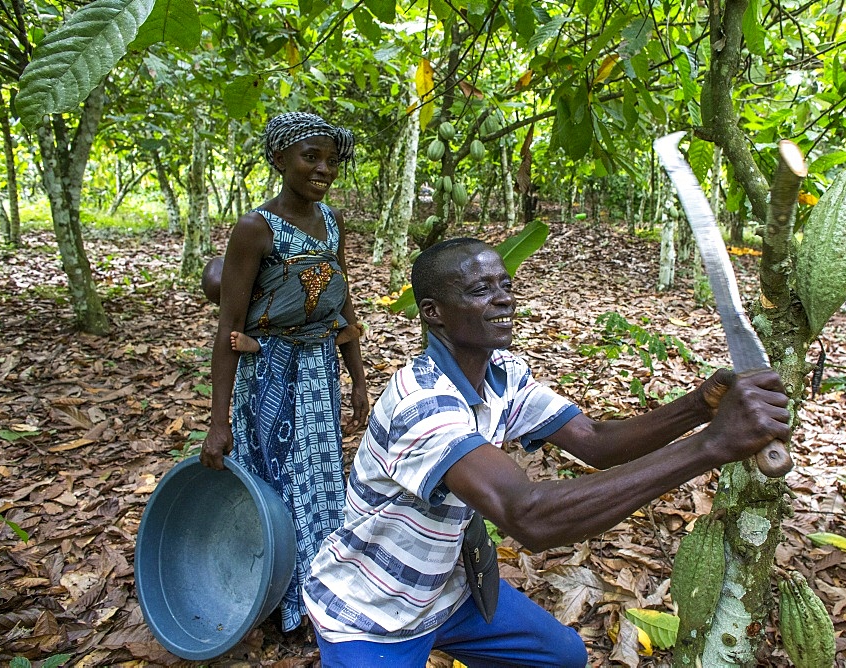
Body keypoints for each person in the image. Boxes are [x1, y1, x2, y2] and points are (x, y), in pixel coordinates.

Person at [302, 238, 792, 666]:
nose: (503, 301)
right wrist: (712, 446)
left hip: (447, 591)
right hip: (372, 609)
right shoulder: (420, 404)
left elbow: (596, 442)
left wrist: (700, 406)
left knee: (561, 657)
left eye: (505, 285)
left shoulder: (502, 373)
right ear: (433, 312)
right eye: (479, 291)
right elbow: (529, 516)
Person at [199, 111, 369, 634]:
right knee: (272, 477)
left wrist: (358, 380)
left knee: (318, 483)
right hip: (266, 372)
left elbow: (342, 309)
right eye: (310, 157)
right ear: (279, 160)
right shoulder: (256, 228)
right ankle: (269, 596)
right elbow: (229, 326)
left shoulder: (333, 222)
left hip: (318, 371)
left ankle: (315, 595)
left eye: (331, 161)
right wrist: (218, 421)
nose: (323, 169)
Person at [202, 255, 363, 353]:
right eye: (219, 302)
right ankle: (252, 345)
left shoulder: (259, 279)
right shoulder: (239, 314)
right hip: (266, 337)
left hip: (300, 321)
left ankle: (336, 336)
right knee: (252, 336)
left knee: (317, 321)